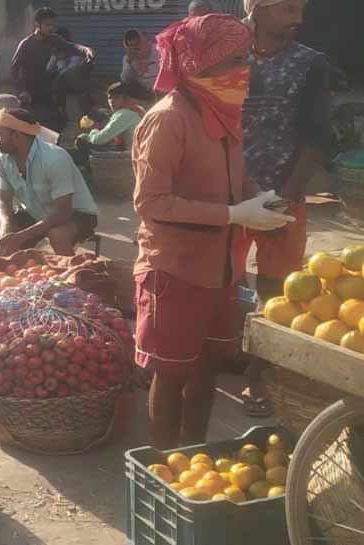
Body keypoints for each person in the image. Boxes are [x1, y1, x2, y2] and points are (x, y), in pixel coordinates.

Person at [131, 14, 294, 449]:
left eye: (247, 58)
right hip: (175, 272)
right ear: (200, 62)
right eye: (235, 59)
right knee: (171, 377)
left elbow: (239, 182)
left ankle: (194, 455)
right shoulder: (168, 119)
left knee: (206, 371)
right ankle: (165, 469)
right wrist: (234, 214)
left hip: (222, 272)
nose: (246, 69)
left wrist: (262, 200)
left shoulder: (226, 114)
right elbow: (150, 203)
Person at [236, 0, 334, 417]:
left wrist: (286, 198)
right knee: (217, 282)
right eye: (286, 7)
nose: (297, 16)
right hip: (226, 192)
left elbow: (317, 139)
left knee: (276, 292)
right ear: (256, 8)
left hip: (283, 194)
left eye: (300, 8)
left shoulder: (310, 64)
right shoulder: (226, 54)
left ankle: (258, 377)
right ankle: (218, 356)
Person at [0, 108, 99, 262]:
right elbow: (3, 200)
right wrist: (6, 226)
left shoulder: (54, 158)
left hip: (75, 214)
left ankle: (71, 279)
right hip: (36, 213)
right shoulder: (3, 159)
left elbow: (63, 213)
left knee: (57, 234)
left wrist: (21, 236)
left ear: (16, 136)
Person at [11, 8, 95, 130]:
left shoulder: (53, 39)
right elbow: (13, 70)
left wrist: (86, 50)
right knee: (32, 129)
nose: (51, 28)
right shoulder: (26, 44)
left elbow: (71, 47)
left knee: (56, 126)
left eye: (53, 25)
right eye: (47, 25)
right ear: (37, 25)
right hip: (30, 95)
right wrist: (22, 90)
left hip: (46, 91)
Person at [74, 82, 147, 166]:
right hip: (139, 153)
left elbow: (98, 140)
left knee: (82, 138)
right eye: (110, 98)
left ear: (125, 98)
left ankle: (88, 173)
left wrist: (94, 129)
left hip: (132, 157)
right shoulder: (136, 108)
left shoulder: (124, 114)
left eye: (117, 97)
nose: (112, 101)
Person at [121, 30, 160, 97]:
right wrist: (129, 63)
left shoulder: (159, 50)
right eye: (131, 46)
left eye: (137, 44)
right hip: (143, 92)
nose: (134, 48)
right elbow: (126, 80)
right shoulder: (129, 57)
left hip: (161, 89)